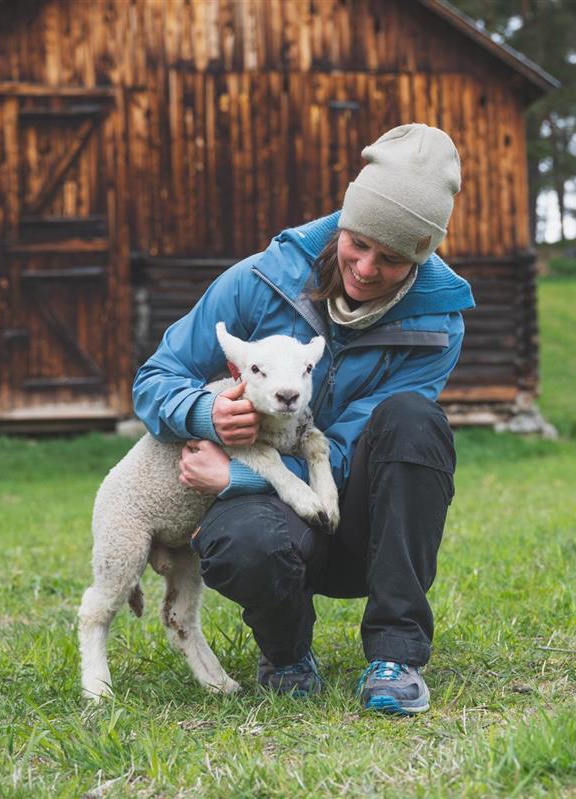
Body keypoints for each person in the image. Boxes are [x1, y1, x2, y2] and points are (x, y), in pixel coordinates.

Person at [133, 123, 475, 715]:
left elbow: (347, 445)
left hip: (360, 524)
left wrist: (236, 475)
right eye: (358, 243)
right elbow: (155, 378)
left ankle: (396, 654)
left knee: (414, 418)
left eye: (392, 259)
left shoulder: (438, 325)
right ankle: (286, 652)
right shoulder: (257, 280)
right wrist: (205, 410)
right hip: (271, 527)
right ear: (343, 222)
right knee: (244, 542)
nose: (366, 268)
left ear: (423, 255)